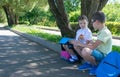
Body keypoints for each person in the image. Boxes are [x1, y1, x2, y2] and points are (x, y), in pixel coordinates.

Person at [72, 11, 112, 75]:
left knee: (85, 50)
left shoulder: (105, 32)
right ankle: (89, 63)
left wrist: (79, 43)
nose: (92, 24)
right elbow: (98, 44)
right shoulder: (101, 31)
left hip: (104, 55)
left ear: (97, 22)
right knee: (79, 47)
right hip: (98, 51)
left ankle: (95, 66)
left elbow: (93, 47)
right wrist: (91, 42)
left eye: (92, 21)